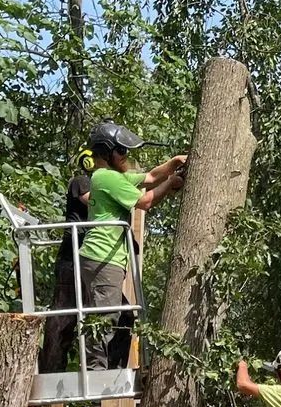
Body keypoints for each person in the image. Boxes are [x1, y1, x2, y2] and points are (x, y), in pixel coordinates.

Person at [80, 121, 185, 371]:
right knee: (105, 316)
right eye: (122, 151)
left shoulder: (111, 176)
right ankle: (96, 370)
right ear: (108, 152)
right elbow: (146, 201)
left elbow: (149, 177)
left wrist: (173, 163)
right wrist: (170, 184)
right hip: (103, 256)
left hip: (106, 257)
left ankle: (112, 369)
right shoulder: (106, 177)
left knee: (124, 316)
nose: (126, 156)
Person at [38, 147, 94, 374]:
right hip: (71, 259)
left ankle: (105, 367)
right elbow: (93, 201)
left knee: (119, 313)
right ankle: (50, 371)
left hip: (88, 258)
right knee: (63, 318)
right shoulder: (80, 181)